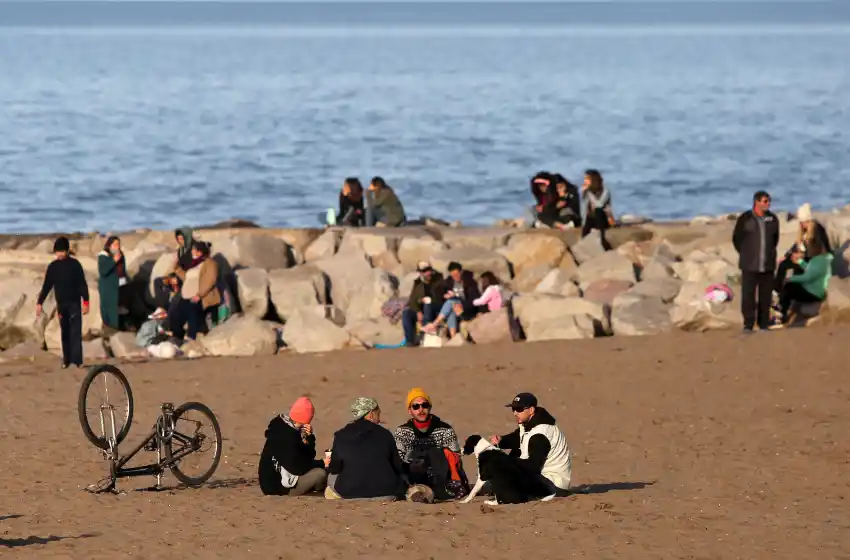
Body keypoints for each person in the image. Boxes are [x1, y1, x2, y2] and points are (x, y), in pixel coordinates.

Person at [489, 393, 572, 497]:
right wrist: (501, 440)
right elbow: (518, 438)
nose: (515, 413)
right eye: (513, 409)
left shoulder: (540, 434)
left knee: (508, 469)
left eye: (519, 409)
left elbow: (534, 466)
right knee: (516, 452)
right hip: (543, 479)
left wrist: (507, 462)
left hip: (554, 485)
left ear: (531, 410)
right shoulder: (531, 423)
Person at [325, 397, 408, 500]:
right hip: (386, 492)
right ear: (371, 414)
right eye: (378, 414)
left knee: (331, 477)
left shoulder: (341, 435)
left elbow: (335, 468)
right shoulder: (385, 434)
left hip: (350, 492)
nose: (379, 418)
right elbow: (397, 466)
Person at [393, 388, 469, 501]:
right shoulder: (403, 431)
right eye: (416, 406)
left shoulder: (445, 429)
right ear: (409, 411)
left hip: (442, 478)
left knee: (437, 452)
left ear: (429, 407)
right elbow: (399, 459)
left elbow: (456, 459)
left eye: (424, 405)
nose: (421, 409)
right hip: (414, 476)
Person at [35, 237, 90, 369]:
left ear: (67, 251)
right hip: (61, 304)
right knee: (65, 332)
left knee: (75, 332)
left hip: (74, 303)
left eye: (61, 251)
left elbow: (82, 284)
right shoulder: (53, 267)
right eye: (57, 252)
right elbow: (47, 285)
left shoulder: (75, 265)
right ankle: (66, 360)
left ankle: (77, 361)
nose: (59, 254)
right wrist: (39, 302)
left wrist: (86, 301)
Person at [258, 397, 328, 496]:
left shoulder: (282, 427)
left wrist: (309, 438)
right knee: (320, 474)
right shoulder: (288, 436)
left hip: (271, 483)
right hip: (278, 488)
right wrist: (322, 463)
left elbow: (305, 457)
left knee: (319, 471)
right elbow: (298, 467)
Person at [733, 191, 780, 333]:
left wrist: (770, 254)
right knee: (748, 295)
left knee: (765, 296)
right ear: (756, 202)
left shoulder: (773, 219)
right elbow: (737, 239)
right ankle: (748, 324)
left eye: (769, 201)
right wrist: (746, 253)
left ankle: (763, 324)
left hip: (767, 264)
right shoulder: (745, 219)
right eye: (765, 201)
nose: (768, 204)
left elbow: (775, 239)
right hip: (749, 264)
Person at [167, 241, 220, 341]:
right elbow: (186, 278)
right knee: (174, 315)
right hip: (185, 296)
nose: (192, 252)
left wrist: (199, 295)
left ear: (200, 252)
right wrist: (177, 268)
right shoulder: (195, 264)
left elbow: (210, 280)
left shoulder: (210, 264)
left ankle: (191, 339)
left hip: (198, 297)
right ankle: (178, 337)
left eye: (194, 250)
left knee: (193, 315)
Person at [776, 234, 833, 326]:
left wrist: (790, 279)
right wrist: (799, 262)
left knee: (789, 287)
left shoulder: (821, 260)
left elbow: (808, 277)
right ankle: (781, 310)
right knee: (788, 286)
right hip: (812, 290)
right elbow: (810, 268)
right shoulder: (819, 258)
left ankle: (782, 315)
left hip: (814, 293)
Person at [775, 203, 832, 293]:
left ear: (808, 220)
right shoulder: (804, 229)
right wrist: (786, 256)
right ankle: (777, 289)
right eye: (800, 223)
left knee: (798, 265)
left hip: (817, 258)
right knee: (783, 264)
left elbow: (817, 249)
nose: (801, 225)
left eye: (803, 223)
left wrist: (802, 255)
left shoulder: (816, 229)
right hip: (806, 256)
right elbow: (797, 245)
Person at [422, 261, 481, 338]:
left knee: (451, 302)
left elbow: (474, 301)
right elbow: (436, 290)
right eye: (453, 275)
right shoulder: (449, 281)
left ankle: (434, 324)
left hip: (466, 309)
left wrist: (461, 304)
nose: (455, 277)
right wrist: (444, 296)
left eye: (457, 275)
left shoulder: (469, 283)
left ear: (461, 272)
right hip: (454, 307)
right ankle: (454, 337)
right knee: (451, 309)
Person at [151, 227, 195, 318]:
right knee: (158, 281)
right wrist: (172, 276)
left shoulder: (194, 249)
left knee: (170, 287)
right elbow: (177, 266)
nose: (180, 241)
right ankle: (161, 309)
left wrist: (178, 276)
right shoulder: (181, 250)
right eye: (178, 239)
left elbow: (192, 269)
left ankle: (167, 311)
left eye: (182, 238)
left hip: (189, 279)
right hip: (178, 276)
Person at [402, 261, 445, 347]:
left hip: (436, 307)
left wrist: (426, 301)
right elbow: (412, 301)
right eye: (424, 271)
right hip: (422, 309)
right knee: (406, 313)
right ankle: (410, 341)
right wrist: (418, 311)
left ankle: (425, 335)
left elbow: (440, 297)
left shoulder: (439, 279)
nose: (427, 273)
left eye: (428, 270)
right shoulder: (418, 283)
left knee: (427, 303)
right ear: (420, 273)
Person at [97, 236, 130, 333]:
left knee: (121, 309)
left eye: (118, 244)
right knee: (109, 310)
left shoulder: (121, 255)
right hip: (108, 289)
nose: (117, 246)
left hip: (120, 286)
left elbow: (123, 269)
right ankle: (110, 330)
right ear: (109, 245)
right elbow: (103, 271)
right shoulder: (103, 256)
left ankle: (121, 328)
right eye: (115, 244)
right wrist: (114, 261)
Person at [581, 169, 615, 241]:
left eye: (587, 179)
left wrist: (589, 192)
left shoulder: (605, 191)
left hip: (603, 218)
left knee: (598, 210)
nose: (585, 181)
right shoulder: (586, 191)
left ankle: (601, 236)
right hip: (591, 219)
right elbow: (583, 208)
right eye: (585, 179)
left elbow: (599, 204)